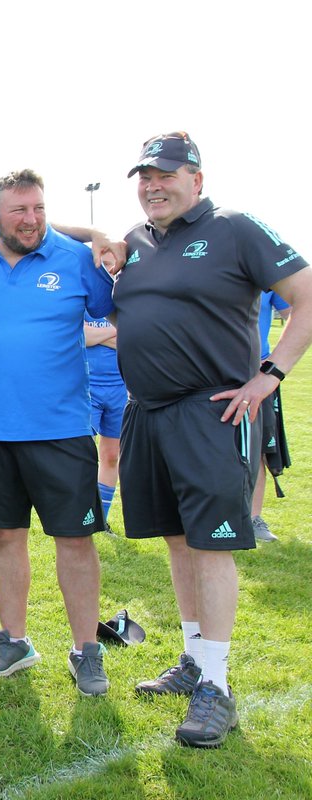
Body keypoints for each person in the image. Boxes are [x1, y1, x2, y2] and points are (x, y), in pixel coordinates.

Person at [115, 132, 311, 747]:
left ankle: (217, 687)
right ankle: (195, 660)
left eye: (167, 174)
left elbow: (305, 297)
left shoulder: (234, 227)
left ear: (196, 178)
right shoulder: (138, 241)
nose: (154, 185)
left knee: (211, 544)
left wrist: (270, 375)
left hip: (211, 411)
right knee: (177, 541)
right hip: (145, 412)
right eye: (145, 176)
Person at [0, 169, 114, 696]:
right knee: (4, 536)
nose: (31, 219)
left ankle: (87, 649)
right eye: (19, 210)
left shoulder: (76, 260)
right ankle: (13, 640)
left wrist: (100, 237)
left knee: (75, 539)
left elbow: (118, 311)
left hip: (62, 429)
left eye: (38, 208)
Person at [250, 290, 292, 542]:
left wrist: (274, 365)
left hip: (257, 375)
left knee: (258, 448)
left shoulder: (266, 273)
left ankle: (253, 518)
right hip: (211, 374)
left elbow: (296, 314)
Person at [84, 314, 127, 531]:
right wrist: (118, 332)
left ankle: (102, 521)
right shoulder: (87, 295)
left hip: (121, 387)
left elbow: (133, 341)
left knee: (111, 457)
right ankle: (82, 516)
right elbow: (82, 336)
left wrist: (97, 336)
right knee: (82, 454)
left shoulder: (122, 297)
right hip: (86, 386)